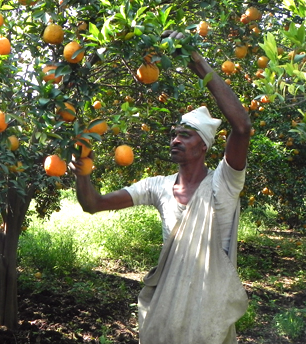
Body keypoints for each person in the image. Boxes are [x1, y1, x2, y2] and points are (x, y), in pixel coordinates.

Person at [70, 31, 251, 344]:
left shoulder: (223, 183)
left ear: (204, 146)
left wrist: (198, 63)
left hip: (209, 308)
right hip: (167, 305)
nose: (176, 140)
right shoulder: (159, 186)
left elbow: (242, 127)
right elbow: (93, 204)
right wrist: (82, 170)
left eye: (186, 135)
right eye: (175, 134)